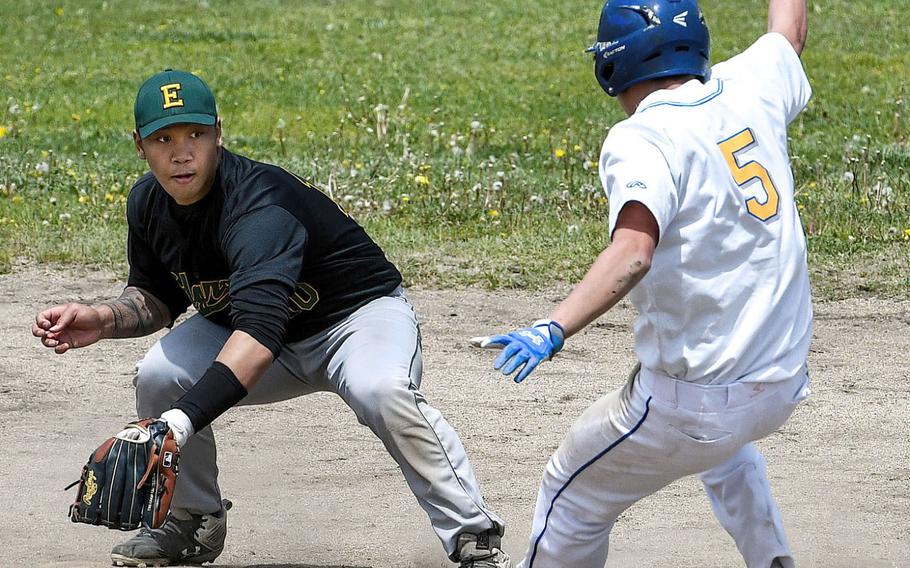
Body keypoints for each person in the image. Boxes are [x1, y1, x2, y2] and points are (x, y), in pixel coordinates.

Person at [33, 69, 511, 568]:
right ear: (139, 146)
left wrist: (179, 422)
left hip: (353, 322)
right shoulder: (148, 203)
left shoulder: (260, 205)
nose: (181, 152)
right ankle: (193, 524)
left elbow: (258, 337)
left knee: (382, 391)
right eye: (163, 138)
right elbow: (155, 295)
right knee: (159, 375)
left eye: (196, 134)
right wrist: (103, 318)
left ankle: (473, 535)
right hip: (254, 332)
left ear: (219, 132)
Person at [473, 0, 813, 566]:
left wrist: (550, 328)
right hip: (781, 384)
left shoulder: (643, 137)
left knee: (571, 494)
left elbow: (633, 253)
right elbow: (790, 30)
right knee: (726, 453)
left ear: (612, 62)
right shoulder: (753, 83)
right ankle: (771, 558)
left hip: (695, 406)